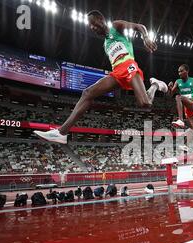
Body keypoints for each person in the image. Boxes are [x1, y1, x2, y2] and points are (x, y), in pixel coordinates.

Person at [33, 10, 168, 143]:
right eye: (90, 26)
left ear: (101, 19)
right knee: (87, 93)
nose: (92, 28)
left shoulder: (116, 27)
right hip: (116, 72)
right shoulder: (105, 44)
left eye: (93, 23)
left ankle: (155, 85)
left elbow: (139, 27)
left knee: (145, 103)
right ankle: (61, 132)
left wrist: (145, 37)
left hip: (128, 65)